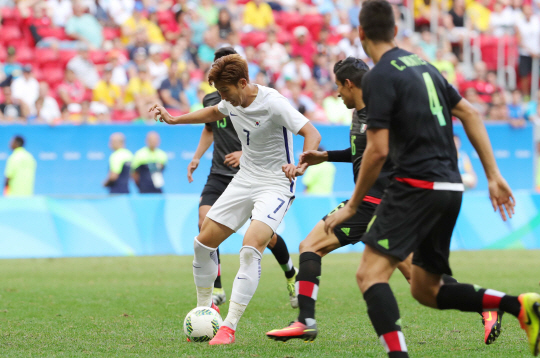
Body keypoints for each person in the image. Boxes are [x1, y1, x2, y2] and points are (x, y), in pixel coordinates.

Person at [324, 2, 537, 357]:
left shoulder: (377, 77)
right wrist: (493, 175)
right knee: (427, 290)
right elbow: (468, 112)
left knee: (370, 275)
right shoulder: (424, 65)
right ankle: (520, 306)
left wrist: (353, 207)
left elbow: (376, 151)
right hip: (450, 188)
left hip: (415, 186)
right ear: (395, 30)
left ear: (360, 33)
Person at [149, 53, 321, 345]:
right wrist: (175, 119)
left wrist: (302, 164)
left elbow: (311, 132)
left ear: (243, 83)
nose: (222, 97)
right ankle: (205, 309)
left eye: (225, 91)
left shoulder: (273, 103)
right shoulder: (230, 100)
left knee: (250, 247)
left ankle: (228, 327)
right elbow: (214, 113)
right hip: (245, 179)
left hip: (276, 183)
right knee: (203, 243)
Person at [187, 47, 301, 308]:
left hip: (251, 172)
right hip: (219, 171)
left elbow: (260, 135)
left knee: (264, 238)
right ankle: (216, 289)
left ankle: (290, 272)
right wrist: (196, 157)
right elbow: (209, 129)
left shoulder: (256, 100)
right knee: (204, 223)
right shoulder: (213, 100)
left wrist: (243, 153)